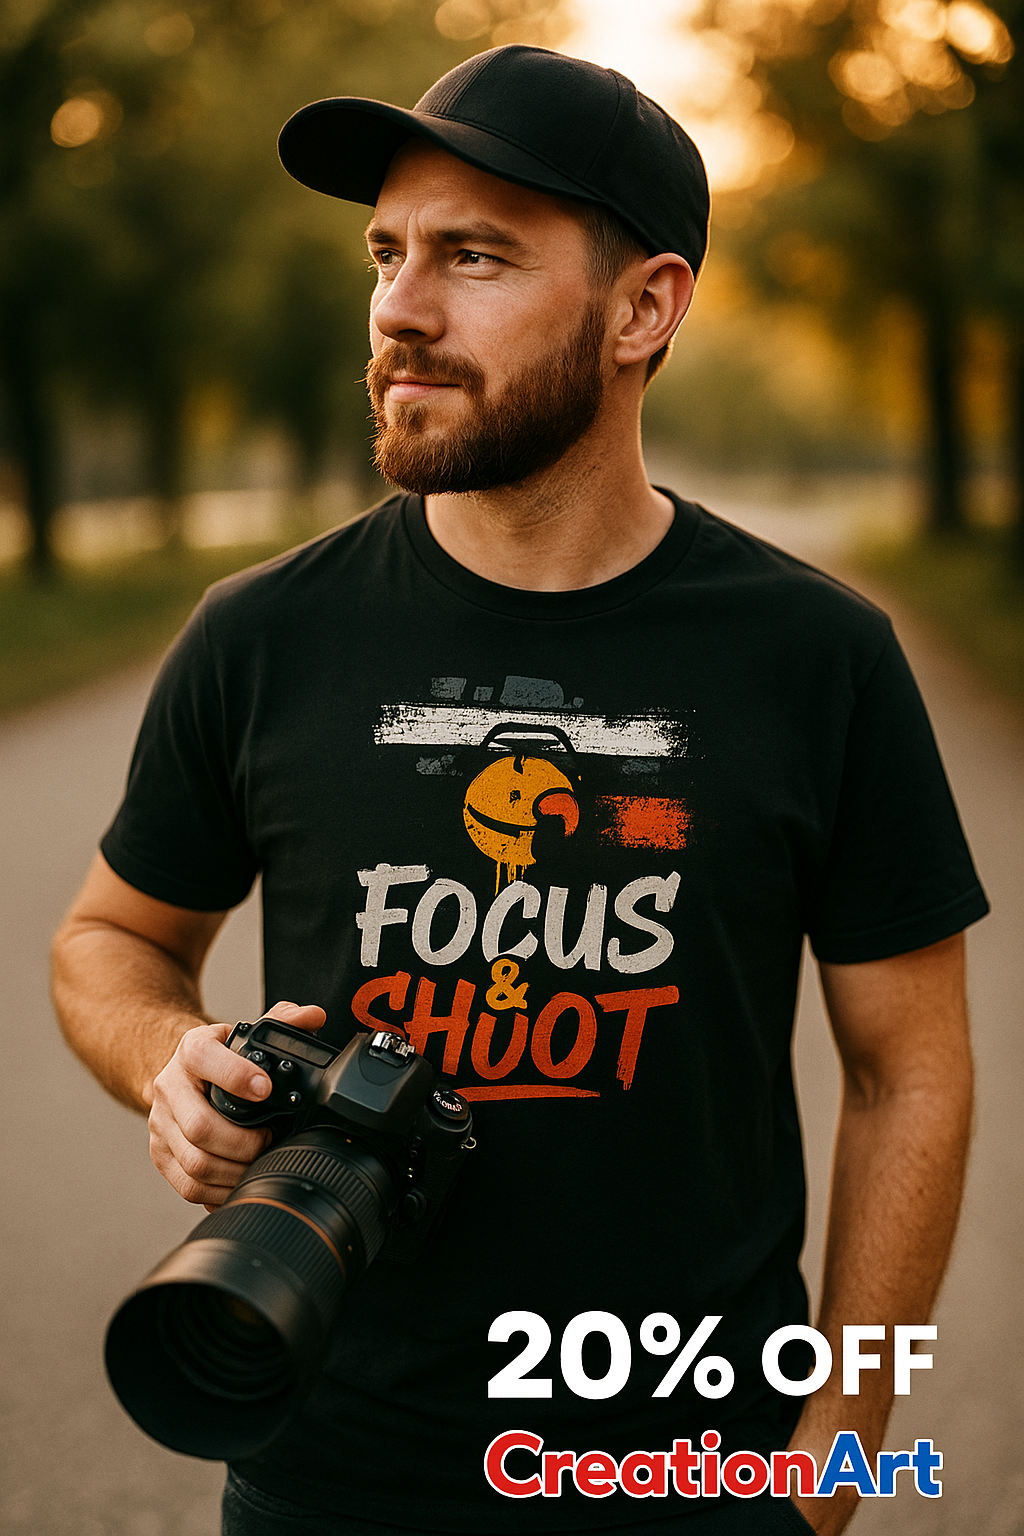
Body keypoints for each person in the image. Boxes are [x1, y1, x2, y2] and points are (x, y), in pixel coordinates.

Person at [52, 43, 986, 1536]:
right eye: (387, 253)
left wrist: (843, 1449)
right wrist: (171, 1056)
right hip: (325, 1469)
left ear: (645, 308)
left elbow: (908, 1071)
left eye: (473, 257)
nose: (400, 310)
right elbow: (108, 940)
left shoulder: (819, 657)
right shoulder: (263, 633)